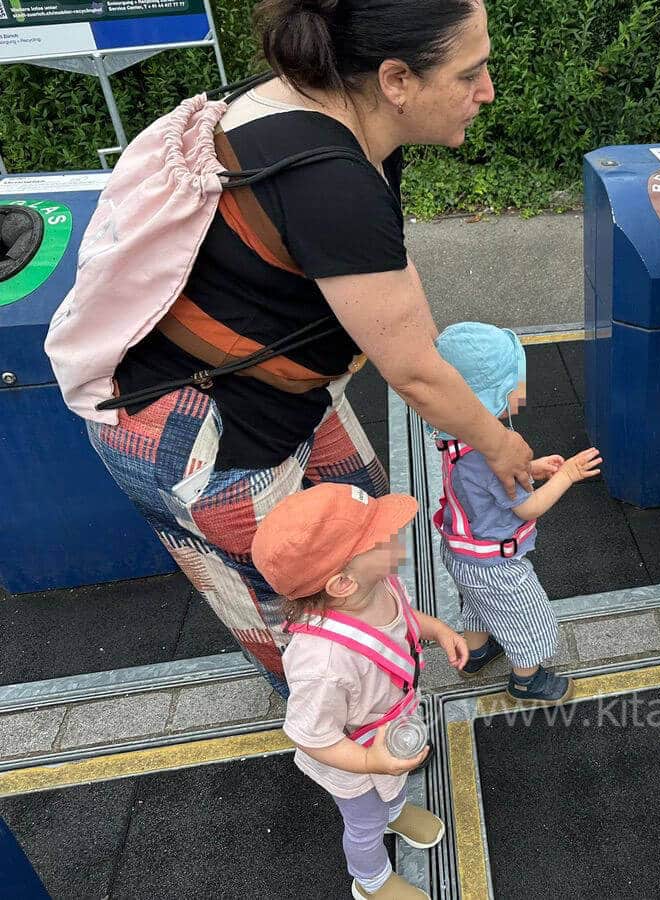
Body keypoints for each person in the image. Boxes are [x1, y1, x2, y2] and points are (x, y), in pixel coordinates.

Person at [81, 0, 532, 695]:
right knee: (313, 622)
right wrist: (499, 446)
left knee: (371, 527)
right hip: (201, 438)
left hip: (281, 391)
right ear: (397, 80)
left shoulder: (337, 114)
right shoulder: (332, 179)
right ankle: (359, 755)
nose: (488, 92)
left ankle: (391, 660)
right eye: (471, 73)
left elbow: (389, 282)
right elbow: (412, 374)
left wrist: (429, 356)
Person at [251, 482, 469, 900]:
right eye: (382, 538)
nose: (398, 536)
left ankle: (396, 811)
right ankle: (371, 881)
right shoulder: (323, 664)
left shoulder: (380, 586)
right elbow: (311, 736)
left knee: (396, 778)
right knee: (363, 824)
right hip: (350, 757)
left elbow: (404, 620)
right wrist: (369, 760)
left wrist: (437, 629)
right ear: (342, 584)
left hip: (390, 727)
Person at [433, 323, 602, 703]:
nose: (523, 388)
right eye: (516, 382)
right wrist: (568, 475)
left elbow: (487, 487)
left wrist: (533, 467)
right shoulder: (487, 457)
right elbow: (529, 506)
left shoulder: (459, 437)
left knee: (478, 606)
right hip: (497, 564)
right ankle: (527, 680)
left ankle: (476, 653)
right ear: (491, 397)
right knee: (528, 621)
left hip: (463, 553)